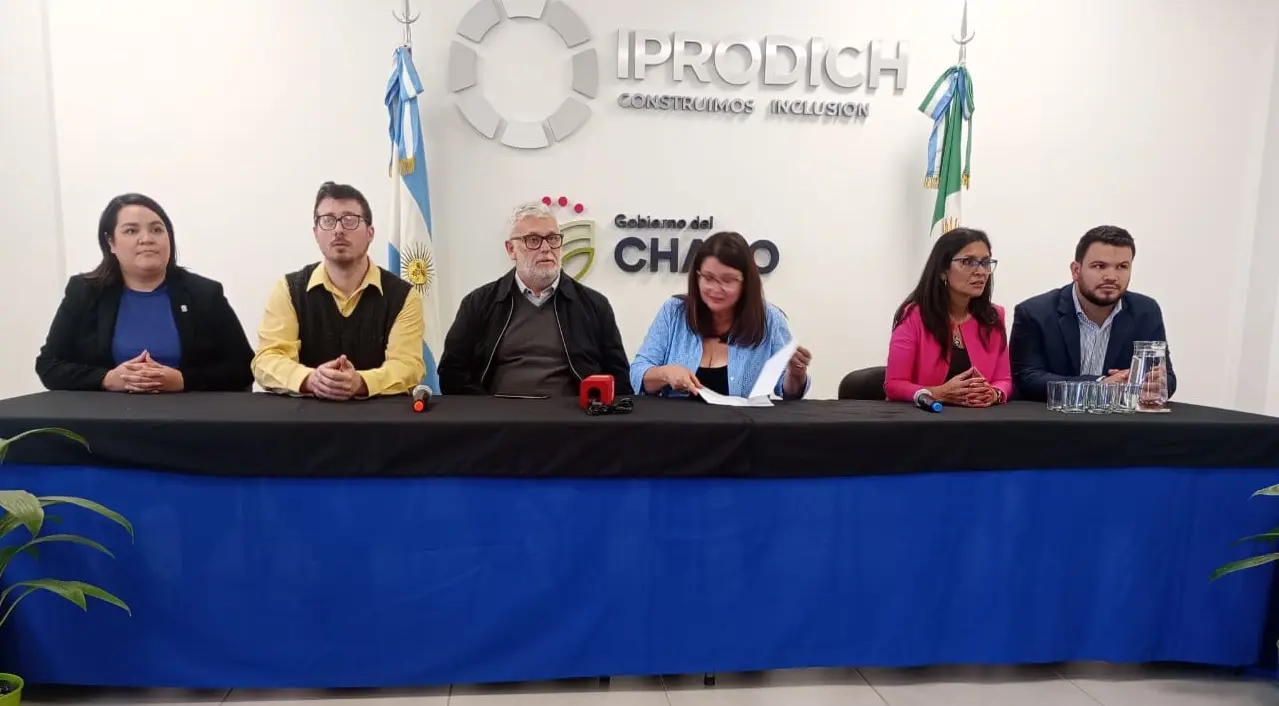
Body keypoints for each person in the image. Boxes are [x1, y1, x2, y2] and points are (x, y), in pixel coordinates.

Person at [35, 194, 253, 393]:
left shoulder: (204, 294)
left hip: (189, 416)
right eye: (131, 231)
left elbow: (244, 367)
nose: (147, 238)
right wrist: (106, 379)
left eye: (157, 230)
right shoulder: (85, 292)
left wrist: (183, 380)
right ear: (110, 242)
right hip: (107, 416)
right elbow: (49, 365)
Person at [251, 181, 425, 400]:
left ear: (370, 232)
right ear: (316, 233)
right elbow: (267, 359)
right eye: (328, 220)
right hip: (302, 415)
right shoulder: (288, 289)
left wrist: (362, 382)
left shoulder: (404, 296)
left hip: (379, 417)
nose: (339, 230)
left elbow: (409, 365)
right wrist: (310, 379)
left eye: (350, 220)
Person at [439, 202, 631, 396]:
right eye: (533, 240)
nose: (546, 248)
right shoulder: (479, 303)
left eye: (553, 239)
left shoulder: (594, 305)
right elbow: (452, 373)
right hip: (499, 412)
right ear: (511, 249)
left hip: (574, 413)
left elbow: (619, 378)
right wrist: (488, 409)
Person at [630, 231, 812, 399]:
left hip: (743, 423)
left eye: (728, 280)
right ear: (697, 277)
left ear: (746, 282)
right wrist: (665, 374)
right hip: (675, 423)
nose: (716, 289)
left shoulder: (768, 319)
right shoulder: (674, 311)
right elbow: (638, 372)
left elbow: (788, 392)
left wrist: (795, 374)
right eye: (708, 278)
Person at [1010, 225, 1176, 401]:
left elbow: (1168, 379)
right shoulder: (1034, 313)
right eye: (1099, 266)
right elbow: (1027, 380)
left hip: (1119, 418)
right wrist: (1100, 385)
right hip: (1053, 417)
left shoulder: (1146, 312)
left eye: (1122, 266)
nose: (1111, 276)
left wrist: (1157, 383)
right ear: (1076, 270)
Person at [885, 227, 1012, 407]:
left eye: (985, 262)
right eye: (968, 262)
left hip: (980, 418)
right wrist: (939, 393)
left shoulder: (993, 317)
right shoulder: (914, 316)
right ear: (943, 270)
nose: (981, 271)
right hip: (927, 418)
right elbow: (894, 385)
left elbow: (1004, 380)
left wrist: (994, 394)